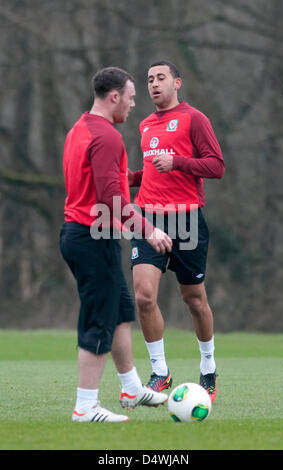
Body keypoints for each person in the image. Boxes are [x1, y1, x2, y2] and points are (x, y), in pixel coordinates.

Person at [59, 67, 172, 423]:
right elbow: (111, 200)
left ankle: (132, 388)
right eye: (132, 97)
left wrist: (139, 180)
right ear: (114, 97)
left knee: (122, 309)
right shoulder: (107, 137)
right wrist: (149, 230)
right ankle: (85, 406)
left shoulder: (80, 128)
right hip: (92, 237)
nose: (134, 104)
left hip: (79, 234)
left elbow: (106, 184)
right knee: (99, 320)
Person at [128, 60, 225, 403]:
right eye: (150, 79)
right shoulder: (144, 124)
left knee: (194, 300)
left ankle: (209, 366)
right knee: (143, 296)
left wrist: (179, 162)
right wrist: (130, 178)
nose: (154, 84)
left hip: (187, 219)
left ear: (177, 83)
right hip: (149, 218)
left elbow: (216, 166)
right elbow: (155, 171)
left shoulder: (194, 119)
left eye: (161, 78)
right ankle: (160, 372)